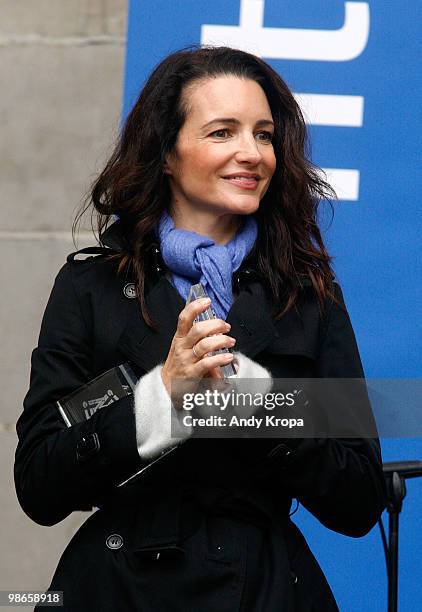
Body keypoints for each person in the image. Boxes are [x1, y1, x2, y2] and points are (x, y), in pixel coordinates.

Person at [14, 45, 386, 611]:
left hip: (264, 587)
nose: (252, 153)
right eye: (222, 132)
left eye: (264, 134)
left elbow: (360, 501)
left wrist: (267, 410)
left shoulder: (308, 293)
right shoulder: (91, 286)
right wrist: (160, 396)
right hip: (119, 586)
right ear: (166, 152)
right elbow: (38, 484)